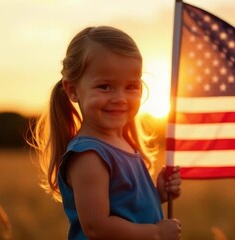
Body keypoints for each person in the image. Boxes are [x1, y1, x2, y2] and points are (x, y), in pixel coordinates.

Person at [30, 26, 182, 240]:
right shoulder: (89, 155)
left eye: (131, 87)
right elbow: (97, 227)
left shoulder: (124, 143)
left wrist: (158, 195)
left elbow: (126, 210)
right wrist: (155, 233)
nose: (120, 98)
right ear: (72, 90)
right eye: (105, 87)